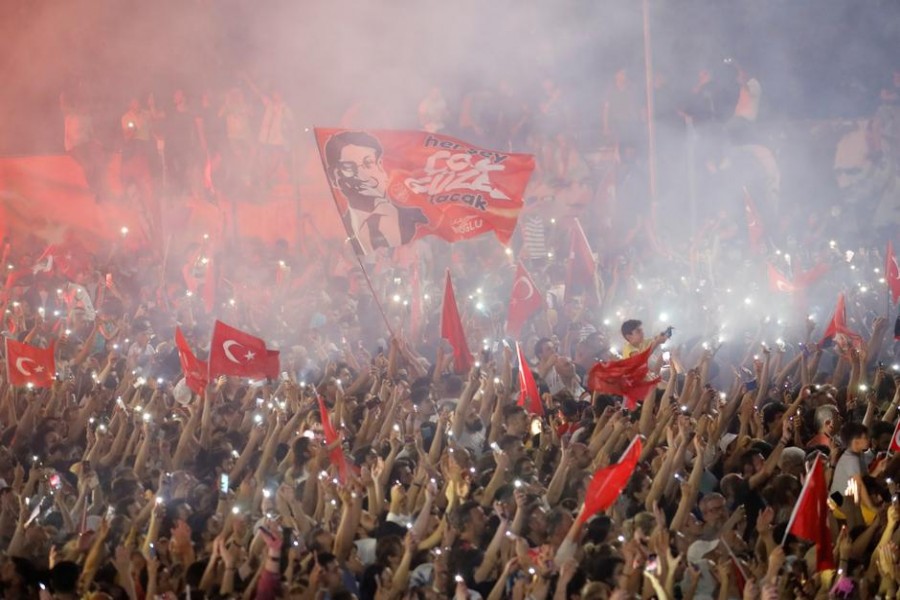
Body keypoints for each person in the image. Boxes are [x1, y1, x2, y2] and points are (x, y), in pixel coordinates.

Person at [323, 130, 428, 254]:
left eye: (368, 163)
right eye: (349, 168)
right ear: (334, 177)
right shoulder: (340, 232)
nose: (361, 176)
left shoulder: (419, 219)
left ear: (381, 167)